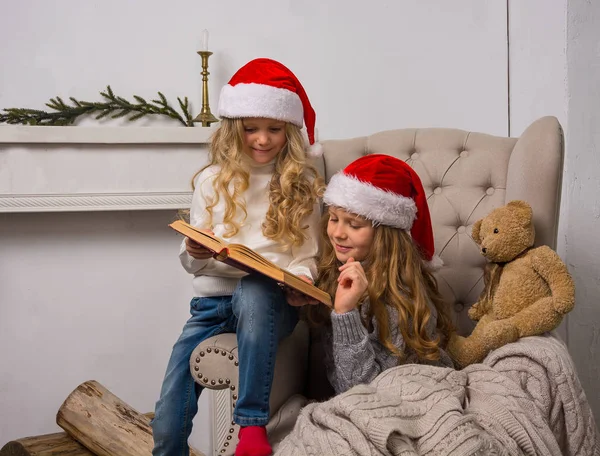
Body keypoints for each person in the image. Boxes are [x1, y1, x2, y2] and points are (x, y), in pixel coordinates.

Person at [151, 58, 324, 456]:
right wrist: (195, 250)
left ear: (289, 131)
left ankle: (251, 431)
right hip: (210, 306)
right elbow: (192, 260)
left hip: (271, 303)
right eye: (250, 129)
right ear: (234, 129)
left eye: (273, 129)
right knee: (166, 418)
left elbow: (308, 257)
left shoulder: (302, 183)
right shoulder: (213, 180)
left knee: (254, 290)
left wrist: (302, 280)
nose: (262, 140)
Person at [307, 154, 454, 395]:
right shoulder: (335, 272)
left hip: (401, 399)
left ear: (385, 236)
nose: (338, 233)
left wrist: (345, 314)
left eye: (354, 225)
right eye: (333, 219)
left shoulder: (400, 299)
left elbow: (365, 393)